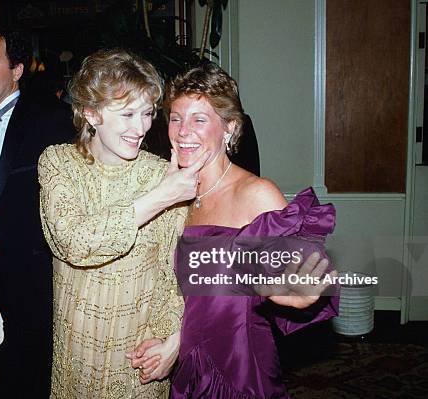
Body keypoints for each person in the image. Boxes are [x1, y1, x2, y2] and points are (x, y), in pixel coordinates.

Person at [130, 62, 338, 398]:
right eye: (176, 118)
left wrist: (298, 288)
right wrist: (174, 342)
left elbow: (303, 283)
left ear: (229, 128)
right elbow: (190, 296)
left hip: (240, 370)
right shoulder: (171, 194)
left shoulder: (255, 193)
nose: (183, 131)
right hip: (190, 369)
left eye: (199, 119)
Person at [37, 49, 211, 398]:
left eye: (147, 113)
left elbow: (177, 272)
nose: (142, 127)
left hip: (137, 361)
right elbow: (75, 242)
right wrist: (160, 198)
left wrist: (172, 341)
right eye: (128, 113)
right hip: (77, 357)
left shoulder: (160, 174)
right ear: (91, 113)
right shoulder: (57, 163)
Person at [0, 25, 75, 397]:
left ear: (17, 69)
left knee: (29, 371)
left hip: (31, 273)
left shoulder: (49, 119)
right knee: (7, 359)